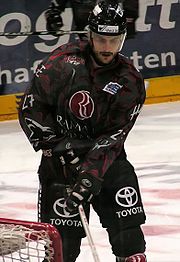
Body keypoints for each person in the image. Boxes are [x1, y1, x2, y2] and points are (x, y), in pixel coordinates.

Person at [19, 1, 147, 261]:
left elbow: (114, 137)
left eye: (114, 41)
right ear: (89, 34)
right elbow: (31, 106)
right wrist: (57, 146)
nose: (107, 48)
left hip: (106, 163)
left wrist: (89, 175)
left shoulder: (129, 81)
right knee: (61, 250)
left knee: (130, 240)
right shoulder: (62, 63)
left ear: (123, 38)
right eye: (101, 40)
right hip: (60, 165)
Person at [45, 0, 139, 39]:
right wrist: (52, 19)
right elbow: (53, 9)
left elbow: (131, 7)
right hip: (86, 34)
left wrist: (129, 19)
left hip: (112, 34)